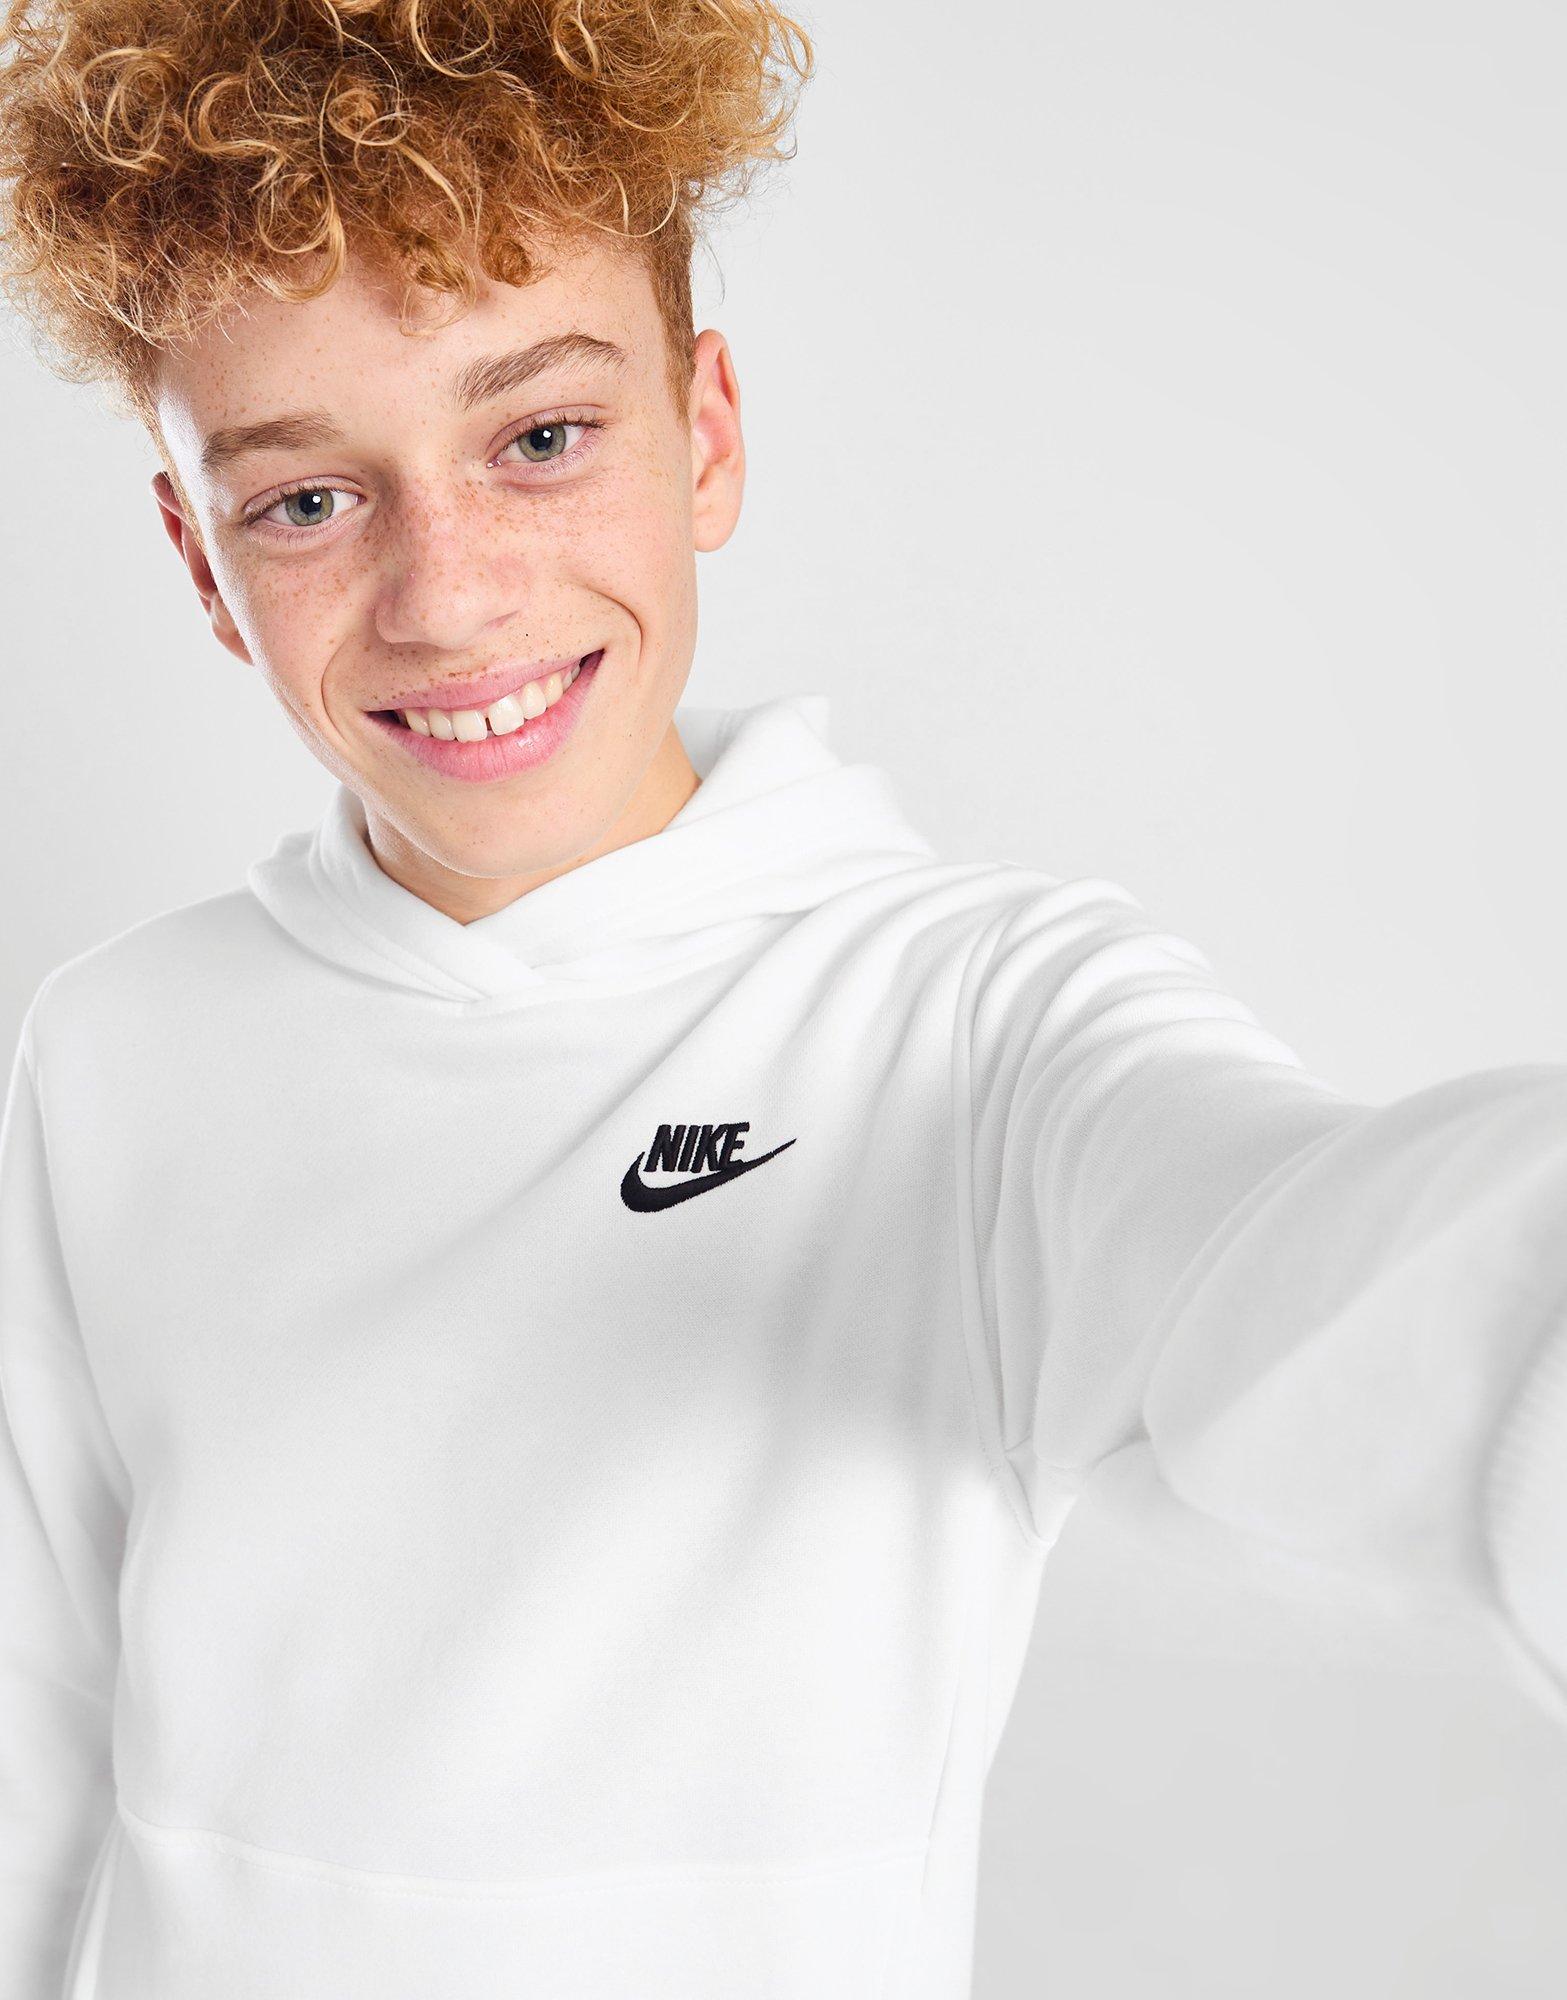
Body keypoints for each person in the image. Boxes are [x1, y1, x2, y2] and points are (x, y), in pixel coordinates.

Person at [0, 4, 1562, 1995]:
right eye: (308, 499)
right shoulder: (113, 1050)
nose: (450, 593)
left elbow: (1314, 1275)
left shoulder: (972, 1026)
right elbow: (34, 1745)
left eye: (540, 439)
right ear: (201, 560)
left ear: (708, 432)